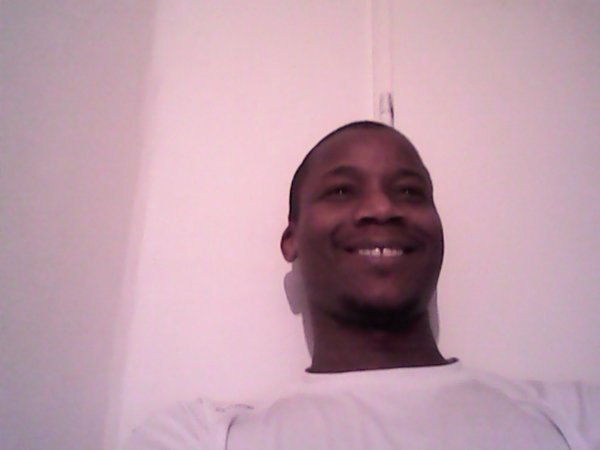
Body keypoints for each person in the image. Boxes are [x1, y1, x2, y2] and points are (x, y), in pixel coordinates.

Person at [125, 121, 600, 449]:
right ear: (291, 240)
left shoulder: (577, 418)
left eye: (409, 191)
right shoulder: (200, 437)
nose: (382, 208)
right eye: (341, 190)